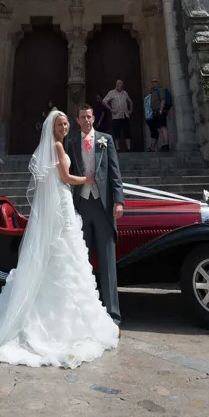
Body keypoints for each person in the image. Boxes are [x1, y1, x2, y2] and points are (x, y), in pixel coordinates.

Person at [0, 109, 119, 368]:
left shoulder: (60, 145)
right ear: (52, 127)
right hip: (65, 199)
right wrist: (88, 179)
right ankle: (64, 324)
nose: (64, 127)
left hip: (65, 201)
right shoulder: (57, 146)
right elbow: (66, 178)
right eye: (60, 124)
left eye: (66, 124)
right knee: (66, 254)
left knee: (68, 255)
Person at [66, 103, 124, 327]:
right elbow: (68, 174)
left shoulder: (105, 140)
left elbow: (115, 172)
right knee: (82, 261)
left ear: (93, 118)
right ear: (78, 120)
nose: (87, 120)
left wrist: (118, 201)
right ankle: (83, 315)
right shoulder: (71, 142)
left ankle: (113, 316)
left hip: (103, 205)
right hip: (81, 205)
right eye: (83, 117)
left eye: (89, 116)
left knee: (108, 262)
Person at [103, 79, 133, 151]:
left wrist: (130, 110)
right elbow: (104, 101)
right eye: (117, 83)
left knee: (127, 132)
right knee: (117, 133)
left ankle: (128, 148)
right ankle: (117, 148)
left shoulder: (125, 93)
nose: (118, 85)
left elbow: (130, 102)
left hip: (125, 115)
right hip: (116, 116)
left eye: (119, 83)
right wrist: (111, 109)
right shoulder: (111, 93)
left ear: (122, 85)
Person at [146, 78, 172, 152]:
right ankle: (163, 144)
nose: (154, 83)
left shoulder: (161, 90)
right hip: (155, 112)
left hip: (160, 111)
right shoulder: (153, 91)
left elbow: (163, 99)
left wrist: (161, 109)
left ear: (158, 82)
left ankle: (166, 145)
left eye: (155, 81)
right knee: (159, 129)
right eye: (153, 82)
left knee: (163, 127)